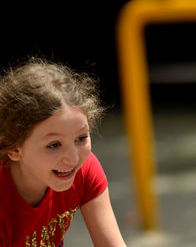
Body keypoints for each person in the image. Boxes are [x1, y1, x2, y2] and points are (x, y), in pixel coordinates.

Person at [0, 57, 126, 247]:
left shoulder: (85, 170)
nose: (73, 158)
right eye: (54, 145)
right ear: (13, 149)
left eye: (81, 138)